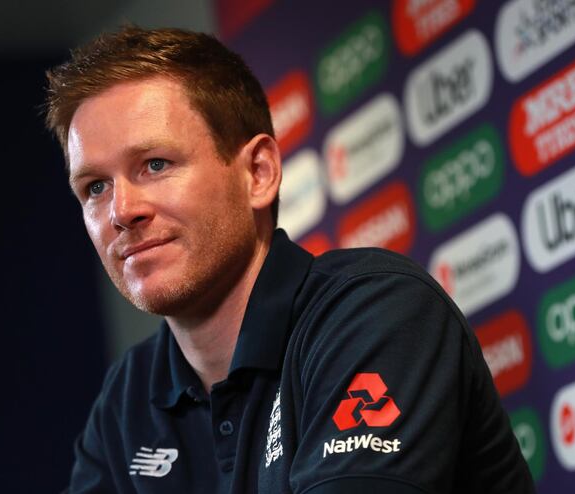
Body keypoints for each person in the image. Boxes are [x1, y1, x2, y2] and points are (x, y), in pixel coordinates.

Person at [45, 26, 536, 494]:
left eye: (155, 165)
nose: (122, 211)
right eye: (95, 187)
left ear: (258, 173)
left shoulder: (376, 312)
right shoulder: (129, 394)